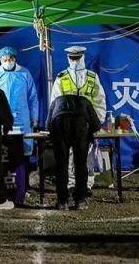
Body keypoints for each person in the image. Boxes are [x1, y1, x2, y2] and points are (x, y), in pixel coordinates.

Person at [50, 46, 106, 195]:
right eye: (72, 58)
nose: (74, 61)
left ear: (83, 58)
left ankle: (86, 185)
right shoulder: (62, 77)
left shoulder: (92, 77)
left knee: (87, 156)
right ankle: (71, 185)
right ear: (68, 58)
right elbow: (55, 102)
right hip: (66, 125)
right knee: (69, 156)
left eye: (77, 58)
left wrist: (97, 123)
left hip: (85, 125)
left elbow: (99, 101)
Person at [47, 93, 102, 210]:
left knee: (61, 165)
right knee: (80, 164)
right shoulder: (85, 101)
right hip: (80, 125)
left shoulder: (56, 101)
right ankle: (80, 200)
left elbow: (48, 125)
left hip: (60, 124)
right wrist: (88, 133)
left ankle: (62, 202)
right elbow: (97, 125)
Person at [0, 46, 39, 155]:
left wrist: (34, 117)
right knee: (3, 150)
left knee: (24, 148)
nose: (8, 62)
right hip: (2, 118)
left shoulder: (25, 73)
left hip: (22, 119)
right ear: (0, 60)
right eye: (5, 60)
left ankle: (24, 165)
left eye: (10, 59)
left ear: (15, 59)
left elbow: (32, 97)